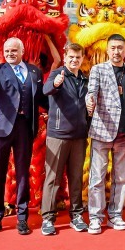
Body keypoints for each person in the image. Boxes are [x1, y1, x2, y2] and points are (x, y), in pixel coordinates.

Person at [0, 37, 46, 237]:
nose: (10, 54)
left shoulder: (34, 71)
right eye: (7, 51)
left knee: (23, 172)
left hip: (25, 127)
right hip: (2, 127)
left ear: (22, 52)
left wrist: (58, 106)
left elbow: (41, 97)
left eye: (14, 50)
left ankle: (22, 218)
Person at [85, 34, 125, 235]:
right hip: (102, 131)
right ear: (107, 50)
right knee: (97, 178)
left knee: (121, 178)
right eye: (113, 48)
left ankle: (115, 214)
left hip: (124, 134)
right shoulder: (98, 70)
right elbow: (91, 91)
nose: (117, 52)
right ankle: (96, 217)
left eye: (120, 48)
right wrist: (90, 101)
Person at [40, 43, 90, 236]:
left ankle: (76, 215)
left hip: (79, 135)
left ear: (82, 58)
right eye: (71, 57)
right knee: (53, 177)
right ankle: (48, 218)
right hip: (58, 135)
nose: (74, 60)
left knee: (76, 178)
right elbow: (46, 90)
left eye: (78, 57)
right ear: (65, 56)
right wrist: (55, 83)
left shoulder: (84, 79)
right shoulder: (57, 74)